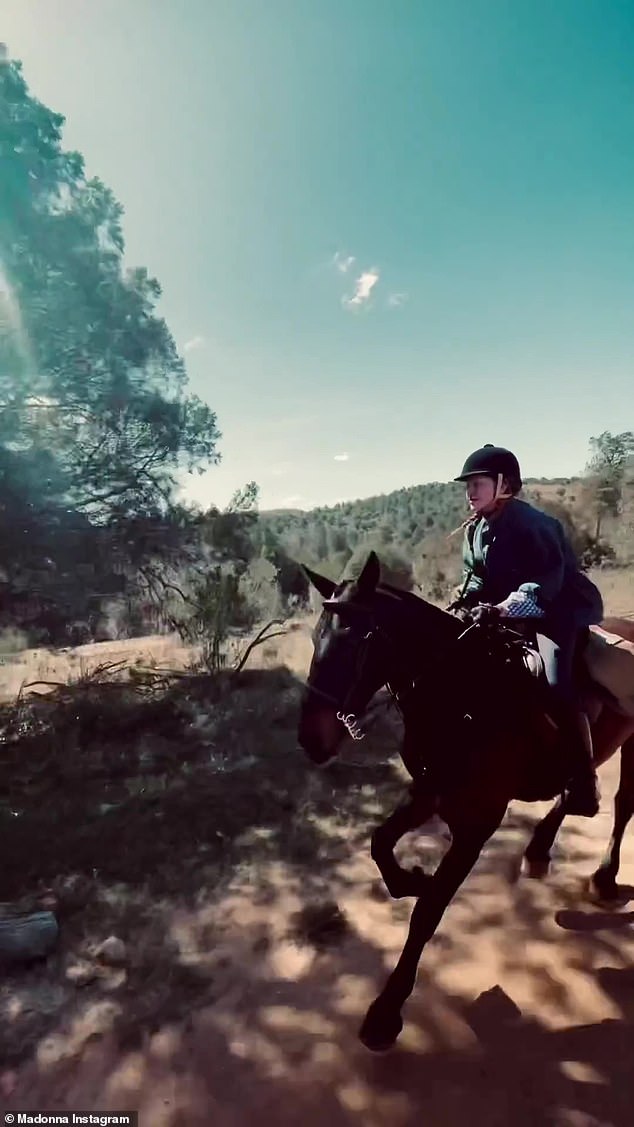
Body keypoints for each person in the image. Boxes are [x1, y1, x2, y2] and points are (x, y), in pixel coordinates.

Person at [450, 443, 604, 817]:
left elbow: (543, 584)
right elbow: (476, 580)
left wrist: (502, 608)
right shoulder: (476, 529)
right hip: (503, 615)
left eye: (478, 484)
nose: (470, 492)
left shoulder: (535, 525)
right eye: (467, 485)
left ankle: (583, 782)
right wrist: (463, 603)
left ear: (504, 484)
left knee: (554, 683)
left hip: (557, 611)